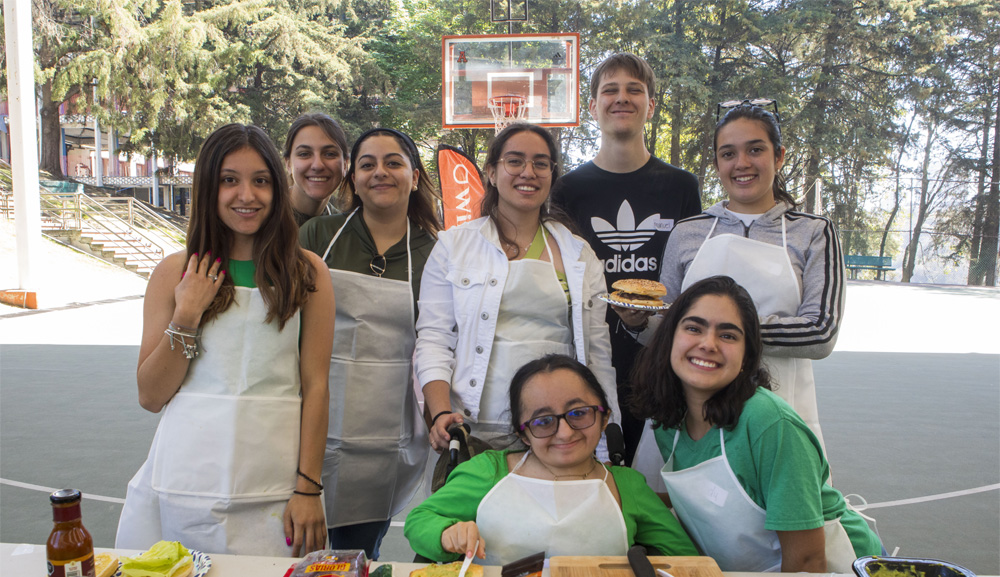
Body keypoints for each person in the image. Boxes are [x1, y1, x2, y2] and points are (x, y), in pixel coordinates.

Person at [116, 124, 335, 556]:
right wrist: (187, 313)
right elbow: (151, 394)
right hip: (185, 479)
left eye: (261, 181)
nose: (246, 196)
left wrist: (308, 488)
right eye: (229, 180)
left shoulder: (306, 273)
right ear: (207, 188)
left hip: (274, 486)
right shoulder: (174, 272)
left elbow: (316, 386)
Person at [630, 276, 880, 573]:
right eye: (694, 328)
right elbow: (713, 496)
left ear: (747, 356)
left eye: (728, 335)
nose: (708, 344)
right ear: (669, 338)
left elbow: (807, 562)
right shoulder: (671, 418)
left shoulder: (770, 424)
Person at [649, 100, 845, 447]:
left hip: (781, 409)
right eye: (728, 154)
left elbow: (821, 333)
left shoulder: (813, 232)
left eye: (755, 150)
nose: (742, 164)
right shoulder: (687, 231)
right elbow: (663, 327)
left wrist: (721, 333)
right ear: (716, 163)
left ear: (779, 156)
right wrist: (638, 321)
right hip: (692, 410)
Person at [415, 123, 617, 453]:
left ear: (552, 174)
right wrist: (440, 413)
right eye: (514, 161)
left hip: (557, 432)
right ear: (492, 172)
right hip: (473, 430)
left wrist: (607, 440)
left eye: (540, 163)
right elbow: (434, 339)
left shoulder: (579, 254)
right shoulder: (454, 246)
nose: (528, 172)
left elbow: (597, 353)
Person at [550, 53, 701, 464]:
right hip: (585, 361)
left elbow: (691, 279)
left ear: (651, 105)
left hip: (660, 365)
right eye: (610, 90)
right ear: (592, 106)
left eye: (635, 89)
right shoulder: (566, 190)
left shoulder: (682, 186)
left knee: (654, 491)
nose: (622, 98)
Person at [405, 354, 697, 565]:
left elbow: (687, 560)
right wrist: (446, 535)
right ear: (523, 434)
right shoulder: (487, 471)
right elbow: (419, 521)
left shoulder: (628, 486)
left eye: (578, 413)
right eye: (544, 421)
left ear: (604, 416)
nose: (565, 432)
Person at [298, 127, 439, 559]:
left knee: (356, 555)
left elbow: (439, 343)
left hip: (385, 439)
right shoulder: (317, 238)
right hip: (308, 429)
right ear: (352, 179)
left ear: (415, 177)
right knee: (296, 553)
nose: (381, 173)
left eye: (393, 162)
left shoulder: (436, 253)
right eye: (367, 164)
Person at [283, 113, 349, 226]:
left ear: (345, 164)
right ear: (288, 163)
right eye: (304, 154)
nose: (317, 165)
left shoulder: (342, 230)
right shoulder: (263, 218)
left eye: (329, 154)